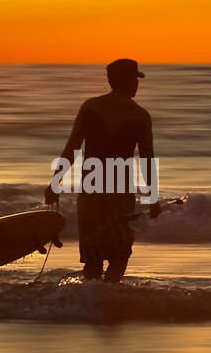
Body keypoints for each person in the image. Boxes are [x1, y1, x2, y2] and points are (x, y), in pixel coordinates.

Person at [45, 58, 155, 281]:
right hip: (120, 193)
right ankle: (110, 303)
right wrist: (152, 198)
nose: (137, 84)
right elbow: (147, 160)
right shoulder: (140, 116)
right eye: (135, 78)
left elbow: (72, 149)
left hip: (92, 192)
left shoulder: (91, 108)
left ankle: (92, 304)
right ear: (126, 81)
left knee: (93, 259)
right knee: (119, 255)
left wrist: (55, 183)